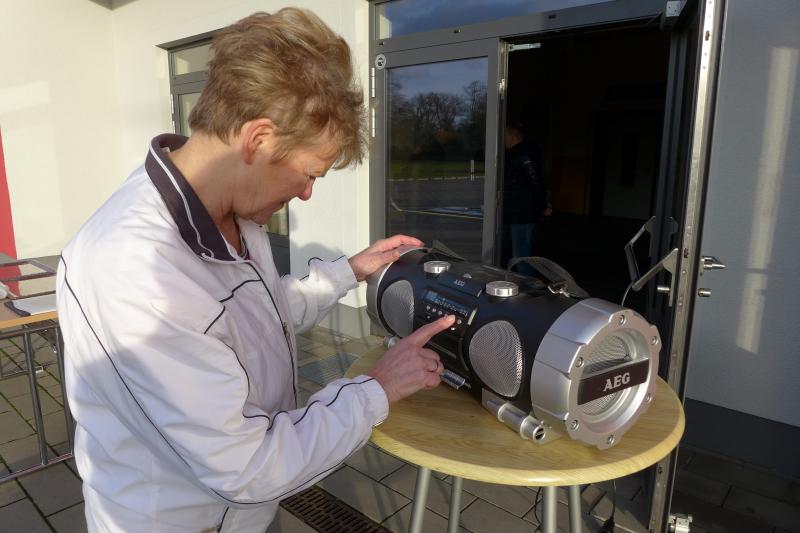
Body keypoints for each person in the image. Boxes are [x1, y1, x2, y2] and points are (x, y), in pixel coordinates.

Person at [55, 9, 453, 532]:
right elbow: (244, 468)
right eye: (310, 173)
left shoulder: (233, 212)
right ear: (258, 139)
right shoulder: (134, 270)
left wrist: (349, 271)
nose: (306, 193)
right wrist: (376, 388)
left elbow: (257, 318)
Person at [502, 120, 549, 275]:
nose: (502, 139)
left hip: (522, 213)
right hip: (513, 212)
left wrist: (542, 206)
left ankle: (527, 286)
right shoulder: (512, 155)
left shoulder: (523, 155)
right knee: (512, 253)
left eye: (505, 135)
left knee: (521, 256)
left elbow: (536, 183)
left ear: (513, 136)